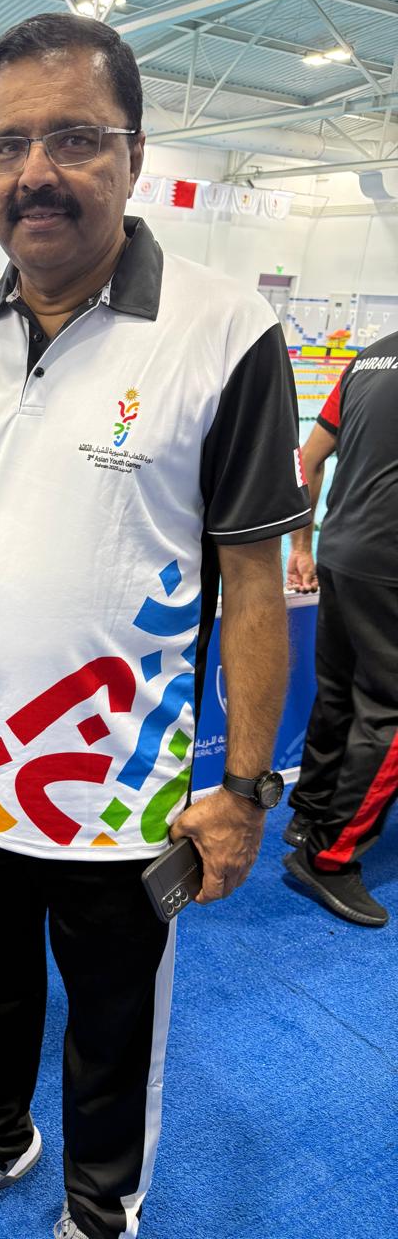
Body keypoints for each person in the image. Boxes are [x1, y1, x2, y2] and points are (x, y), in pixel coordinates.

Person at [0, 13, 310, 1239]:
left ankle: (99, 1204)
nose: (37, 171)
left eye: (74, 138)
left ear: (134, 155)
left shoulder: (224, 331)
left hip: (122, 788)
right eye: (8, 144)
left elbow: (253, 581)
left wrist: (246, 788)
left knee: (113, 1020)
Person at [283, 329, 398, 926]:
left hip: (342, 552)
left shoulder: (372, 355)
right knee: (389, 717)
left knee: (338, 695)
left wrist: (302, 546)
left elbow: (304, 459)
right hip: (390, 566)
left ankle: (308, 812)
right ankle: (329, 858)